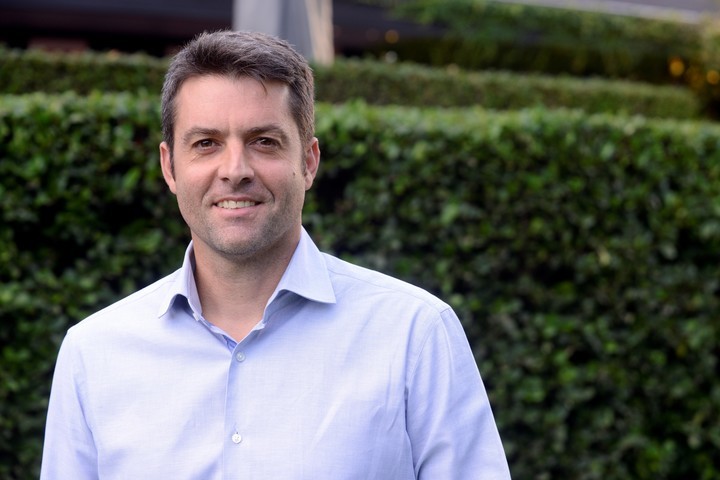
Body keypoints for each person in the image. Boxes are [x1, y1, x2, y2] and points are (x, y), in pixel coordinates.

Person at [40, 30, 511, 479]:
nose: (235, 170)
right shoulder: (93, 354)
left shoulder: (414, 335)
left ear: (308, 161)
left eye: (264, 141)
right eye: (206, 144)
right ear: (169, 166)